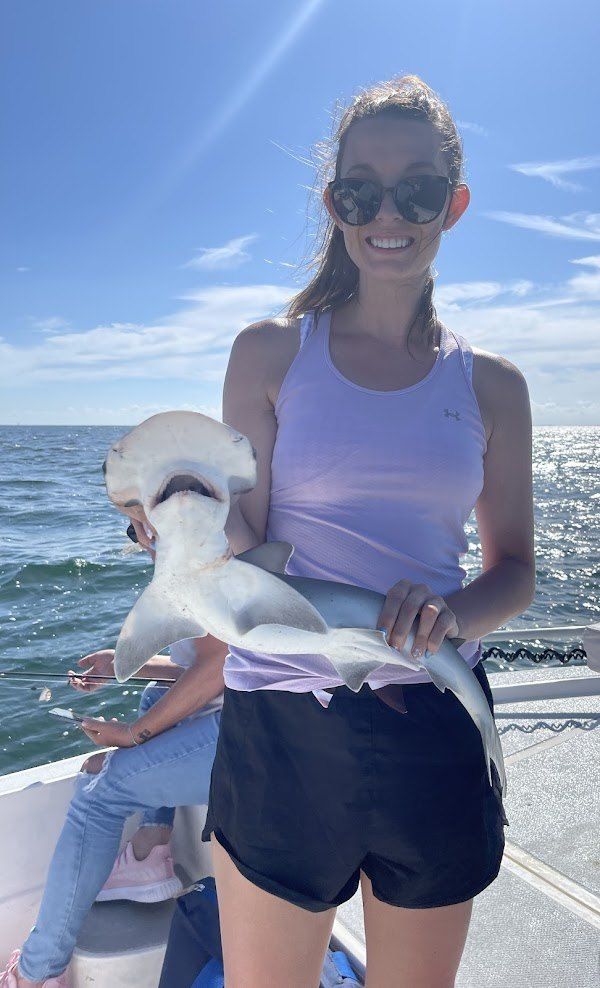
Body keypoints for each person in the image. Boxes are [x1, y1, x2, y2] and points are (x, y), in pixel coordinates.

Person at [130, 75, 536, 987]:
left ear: (454, 204)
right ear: (334, 201)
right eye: (362, 189)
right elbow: (248, 538)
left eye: (419, 190)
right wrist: (177, 518)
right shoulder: (269, 354)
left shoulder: (494, 387)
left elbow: (515, 571)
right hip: (280, 725)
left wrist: (451, 618)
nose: (389, 214)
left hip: (431, 716)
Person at [1, 607, 227, 987]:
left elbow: (219, 665)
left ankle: (36, 972)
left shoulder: (203, 560)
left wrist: (131, 735)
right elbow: (214, 667)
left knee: (98, 790)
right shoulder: (199, 560)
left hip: (253, 732)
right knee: (157, 696)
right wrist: (123, 664)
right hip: (241, 710)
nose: (145, 549)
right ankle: (149, 852)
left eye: (143, 542)